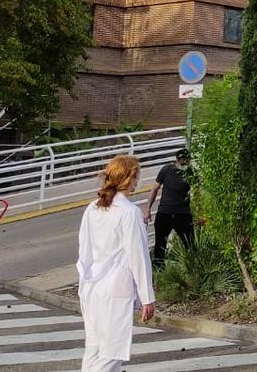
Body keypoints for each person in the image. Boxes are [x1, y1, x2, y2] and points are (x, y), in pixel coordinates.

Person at [77, 154, 155, 372]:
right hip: (116, 289)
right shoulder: (129, 213)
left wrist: (85, 280)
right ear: (128, 178)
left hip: (91, 288)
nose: (138, 181)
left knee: (94, 348)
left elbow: (83, 249)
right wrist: (147, 297)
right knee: (111, 353)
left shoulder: (93, 208)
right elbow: (138, 257)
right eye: (136, 176)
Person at [143, 148, 195, 266]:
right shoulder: (166, 170)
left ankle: (192, 270)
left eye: (186, 161)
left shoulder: (191, 173)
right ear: (176, 160)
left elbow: (196, 194)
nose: (184, 164)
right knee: (160, 246)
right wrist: (148, 209)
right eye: (181, 161)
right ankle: (159, 271)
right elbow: (154, 189)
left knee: (190, 245)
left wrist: (200, 213)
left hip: (183, 214)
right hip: (165, 212)